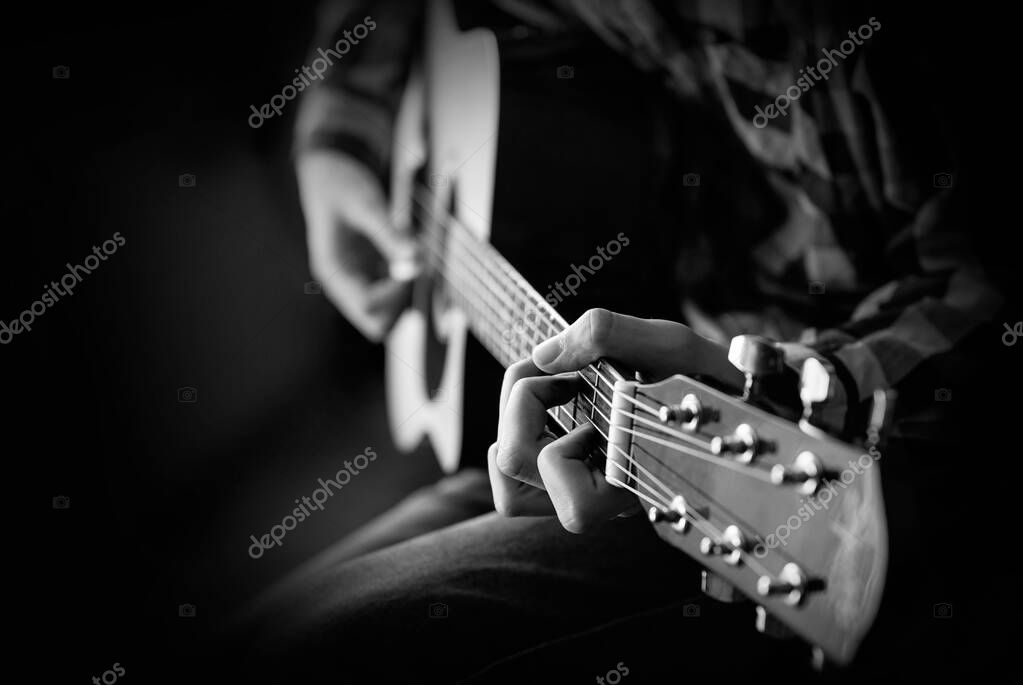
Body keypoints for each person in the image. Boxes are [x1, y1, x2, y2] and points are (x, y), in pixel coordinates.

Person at [237, 1, 1003, 680]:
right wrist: (335, 141)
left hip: (756, 453)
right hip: (600, 410)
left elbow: (982, 288)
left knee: (329, 645)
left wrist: (795, 379)